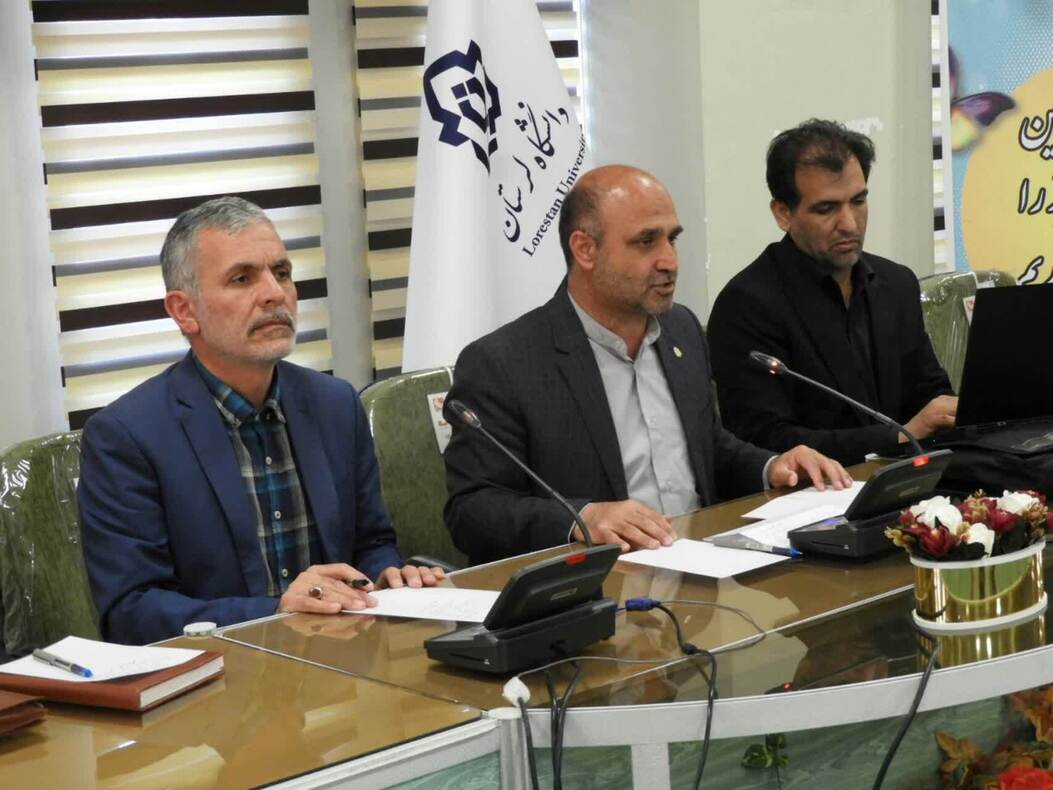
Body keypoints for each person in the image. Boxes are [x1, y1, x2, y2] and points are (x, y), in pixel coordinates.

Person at [443, 165, 851, 566]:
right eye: (645, 242)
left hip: (701, 568)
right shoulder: (504, 363)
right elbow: (472, 510)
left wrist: (772, 466)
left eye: (672, 239)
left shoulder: (682, 330)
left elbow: (707, 449)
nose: (669, 261)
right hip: (598, 584)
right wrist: (581, 518)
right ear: (585, 249)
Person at [78, 197, 443, 644]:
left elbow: (372, 543)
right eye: (242, 278)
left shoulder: (335, 404)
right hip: (221, 672)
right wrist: (275, 612)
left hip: (344, 657)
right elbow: (131, 611)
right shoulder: (127, 435)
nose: (274, 293)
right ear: (184, 311)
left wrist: (384, 578)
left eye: (282, 272)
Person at [707, 119, 956, 466]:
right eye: (827, 209)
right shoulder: (747, 304)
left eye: (859, 201)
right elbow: (763, 439)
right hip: (814, 492)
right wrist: (897, 438)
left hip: (912, 479)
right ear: (783, 213)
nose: (849, 224)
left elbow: (929, 392)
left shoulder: (896, 283)